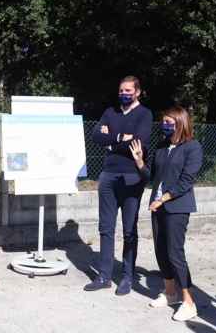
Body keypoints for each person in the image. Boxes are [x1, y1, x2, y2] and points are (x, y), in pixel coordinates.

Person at [129, 106, 202, 321]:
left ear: (181, 123)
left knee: (175, 253)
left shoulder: (192, 147)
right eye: (164, 122)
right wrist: (140, 161)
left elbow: (186, 181)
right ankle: (170, 293)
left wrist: (164, 198)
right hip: (158, 206)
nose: (165, 125)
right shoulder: (162, 146)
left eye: (170, 122)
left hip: (177, 207)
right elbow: (151, 175)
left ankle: (189, 302)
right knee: (160, 250)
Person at [84, 76, 153, 295]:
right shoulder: (110, 112)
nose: (123, 93)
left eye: (128, 90)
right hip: (108, 176)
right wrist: (122, 138)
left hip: (132, 177)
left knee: (129, 230)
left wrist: (112, 140)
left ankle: (127, 277)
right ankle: (104, 275)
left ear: (137, 92)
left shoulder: (145, 114)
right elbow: (96, 136)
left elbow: (140, 142)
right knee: (106, 228)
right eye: (121, 90)